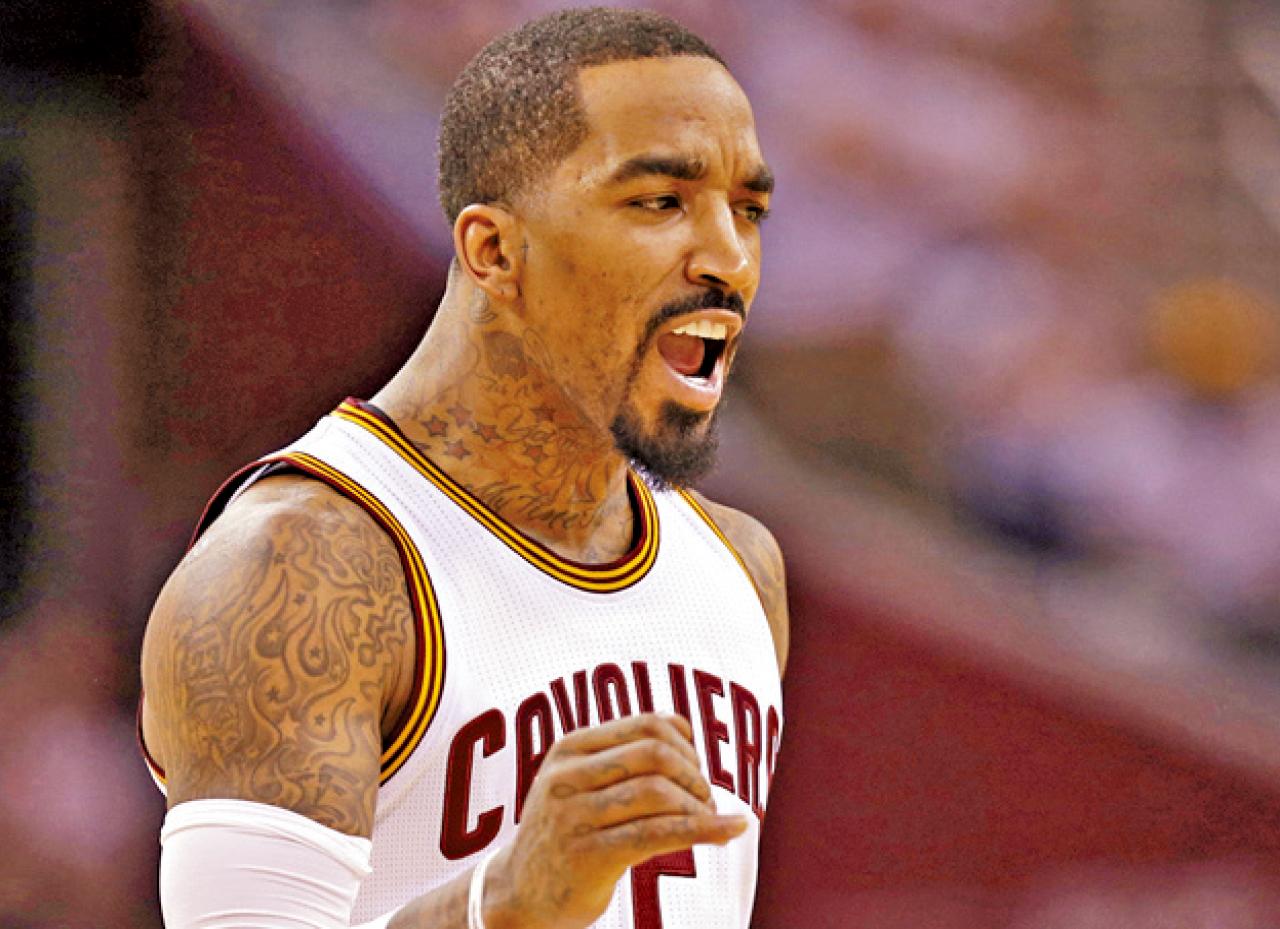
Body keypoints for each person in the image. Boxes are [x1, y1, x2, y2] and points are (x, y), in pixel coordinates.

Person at [139, 7, 788, 929]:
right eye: (660, 202)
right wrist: (503, 902)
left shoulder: (740, 568)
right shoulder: (301, 569)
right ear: (494, 250)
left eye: (749, 210)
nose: (730, 259)